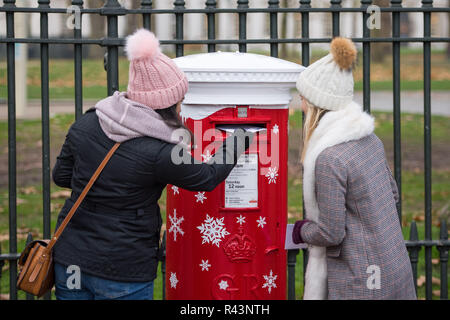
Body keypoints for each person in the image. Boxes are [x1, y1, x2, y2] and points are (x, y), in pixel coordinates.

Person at [51, 29, 253, 300]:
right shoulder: (161, 152)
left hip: (71, 262)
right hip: (123, 270)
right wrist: (239, 138)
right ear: (167, 104)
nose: (181, 109)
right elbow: (207, 177)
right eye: (179, 101)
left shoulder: (87, 122)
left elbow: (62, 176)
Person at [292, 37, 416, 300]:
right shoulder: (369, 139)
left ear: (317, 103)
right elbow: (392, 196)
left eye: (303, 97)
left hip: (362, 278)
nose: (300, 103)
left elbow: (331, 232)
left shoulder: (329, 159)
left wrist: (299, 230)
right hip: (393, 263)